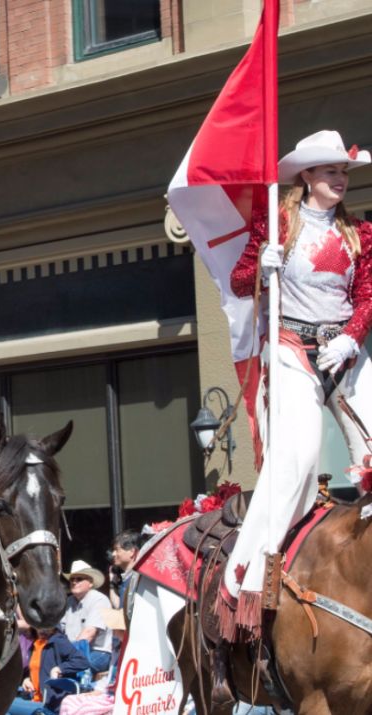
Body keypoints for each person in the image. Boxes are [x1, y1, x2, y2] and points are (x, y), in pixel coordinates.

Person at [221, 130, 372, 640]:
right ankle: (246, 579)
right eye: (331, 171)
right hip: (291, 349)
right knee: (298, 460)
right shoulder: (277, 221)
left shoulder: (361, 235)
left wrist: (351, 339)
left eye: (344, 173)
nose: (339, 179)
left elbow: (368, 295)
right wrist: (261, 266)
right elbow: (241, 282)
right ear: (307, 175)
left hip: (344, 353)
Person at [5, 626, 90, 715]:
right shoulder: (35, 643)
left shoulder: (57, 641)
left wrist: (60, 669)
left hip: (49, 705)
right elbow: (37, 670)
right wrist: (26, 679)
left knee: (3, 704)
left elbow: (82, 661)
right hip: (33, 699)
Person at [59, 561, 112, 674]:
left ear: (91, 583)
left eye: (79, 579)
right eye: (72, 579)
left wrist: (68, 656)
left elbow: (89, 634)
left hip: (98, 652)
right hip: (74, 652)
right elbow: (60, 631)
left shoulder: (99, 600)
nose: (74, 582)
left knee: (67, 669)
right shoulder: (69, 601)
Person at [107, 530, 141, 611]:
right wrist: (112, 582)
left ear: (132, 552)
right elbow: (119, 606)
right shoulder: (126, 578)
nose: (113, 554)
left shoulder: (139, 580)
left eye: (117, 549)